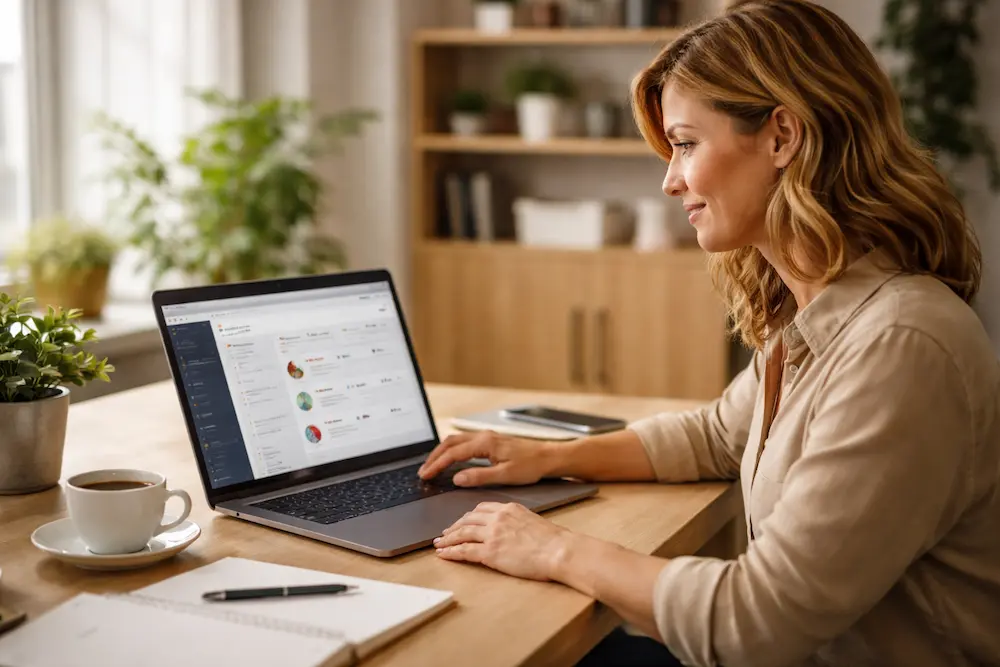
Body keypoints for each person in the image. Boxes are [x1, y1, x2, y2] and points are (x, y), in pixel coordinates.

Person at [416, 1, 1000, 665]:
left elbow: (756, 621)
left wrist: (553, 548)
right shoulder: (821, 314)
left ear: (782, 137)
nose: (670, 181)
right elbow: (719, 433)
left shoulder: (900, 346)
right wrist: (548, 456)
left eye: (686, 144)